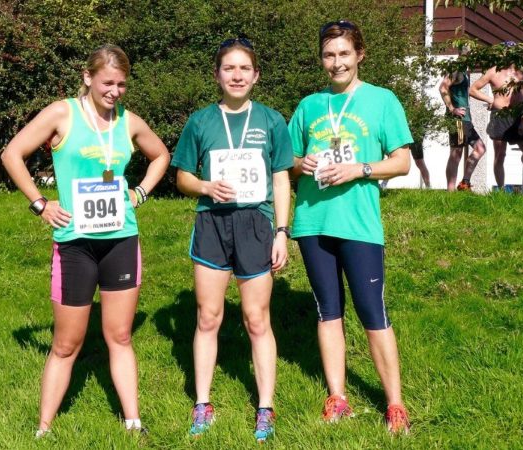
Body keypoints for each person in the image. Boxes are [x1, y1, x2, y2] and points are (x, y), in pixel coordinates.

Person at [1, 44, 170, 438]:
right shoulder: (63, 113)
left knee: (120, 336)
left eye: (122, 84)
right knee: (66, 344)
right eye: (108, 82)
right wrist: (40, 204)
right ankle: (44, 428)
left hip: (121, 239)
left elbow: (161, 155)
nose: (115, 91)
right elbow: (12, 154)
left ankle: (133, 422)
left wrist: (140, 192)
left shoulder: (128, 121)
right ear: (87, 77)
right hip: (75, 242)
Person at [288, 20, 411, 435]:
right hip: (312, 221)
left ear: (359, 55)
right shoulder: (308, 105)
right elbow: (288, 158)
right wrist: (299, 163)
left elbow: (401, 161)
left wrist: (360, 168)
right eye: (328, 54)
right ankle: (337, 397)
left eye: (343, 53)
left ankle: (394, 404)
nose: (336, 62)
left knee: (373, 312)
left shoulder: (382, 101)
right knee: (328, 312)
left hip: (359, 225)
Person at [171, 37, 293, 443]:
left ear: (256, 76)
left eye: (245, 68)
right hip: (212, 224)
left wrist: (281, 231)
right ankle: (203, 402)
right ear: (217, 74)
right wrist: (205, 187)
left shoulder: (273, 120)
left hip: (256, 225)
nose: (237, 75)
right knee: (208, 317)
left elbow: (281, 178)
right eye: (229, 68)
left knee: (257, 319)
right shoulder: (200, 121)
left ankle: (265, 407)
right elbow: (182, 177)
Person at [469, 42, 523, 190]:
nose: (508, 54)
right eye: (505, 52)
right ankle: (501, 190)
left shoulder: (522, 73)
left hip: (518, 115)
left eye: (511, 52)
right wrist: (491, 100)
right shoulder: (493, 71)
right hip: (500, 116)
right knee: (500, 155)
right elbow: (473, 89)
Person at [439, 61, 487, 191]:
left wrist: (489, 100)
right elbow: (443, 88)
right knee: (456, 153)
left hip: (466, 120)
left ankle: (464, 182)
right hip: (457, 119)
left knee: (480, 148)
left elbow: (469, 93)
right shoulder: (456, 70)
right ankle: (450, 191)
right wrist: (452, 109)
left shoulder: (464, 72)